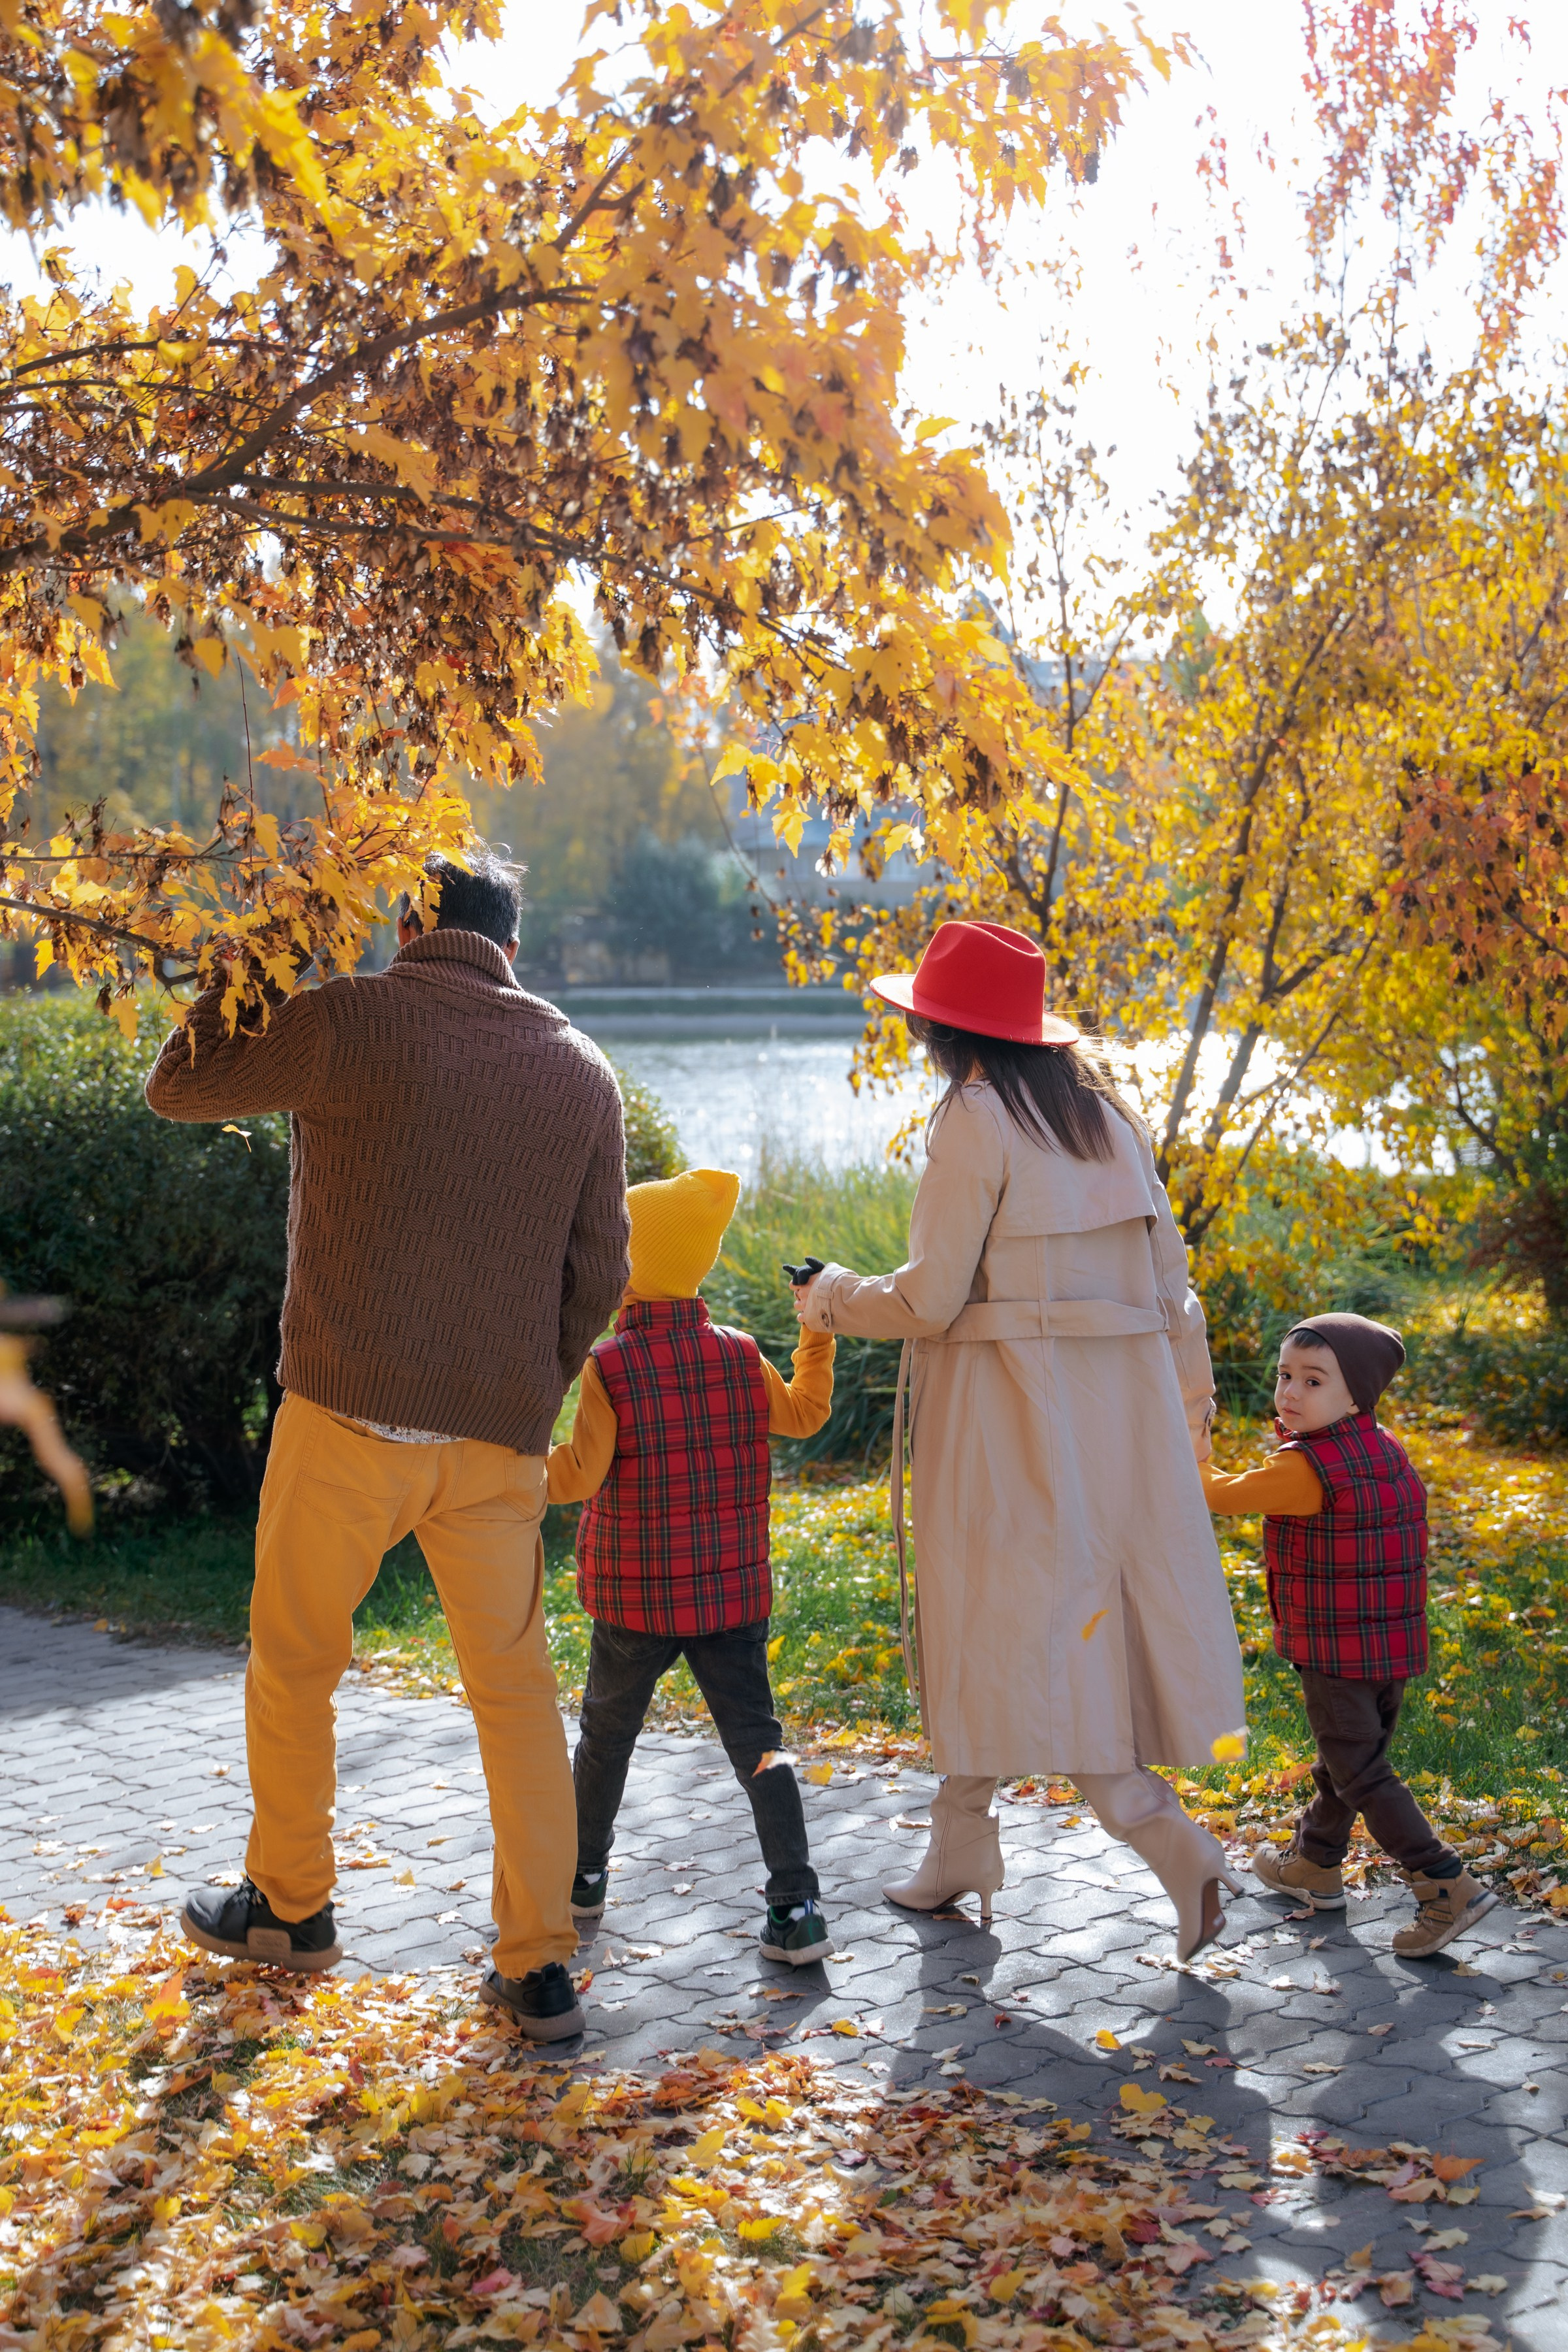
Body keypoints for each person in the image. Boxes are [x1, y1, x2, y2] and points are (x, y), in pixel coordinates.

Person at [145, 849, 630, 2039]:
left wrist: (260, 955)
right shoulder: (580, 1070)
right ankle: (537, 1967)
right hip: (496, 1444)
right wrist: (536, 1384)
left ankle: (292, 1912)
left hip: (347, 1414)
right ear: (512, 948)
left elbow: (180, 1084)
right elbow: (603, 1269)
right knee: (516, 1699)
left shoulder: (349, 1020)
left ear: (410, 926)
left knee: (297, 1662)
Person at [792, 919, 1246, 1962]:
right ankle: (960, 1851)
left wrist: (829, 1297)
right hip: (1115, 1428)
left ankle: (1175, 1847)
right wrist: (1184, 1422)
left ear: (945, 1033)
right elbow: (1172, 1288)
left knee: (1028, 1638)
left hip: (1005, 1422)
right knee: (1009, 1630)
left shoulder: (974, 1118)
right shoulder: (1107, 1118)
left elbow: (932, 1298)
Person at [547, 1166, 837, 1963]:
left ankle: (582, 1877)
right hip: (731, 1597)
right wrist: (815, 1331)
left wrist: (505, 1467)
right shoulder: (742, 1356)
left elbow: (578, 1474)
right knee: (760, 1743)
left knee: (606, 1738)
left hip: (636, 1599)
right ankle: (797, 1905)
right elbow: (807, 1415)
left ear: (628, 1269)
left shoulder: (610, 1364)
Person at [1202, 1313, 1495, 1957]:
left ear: (1355, 1395)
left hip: (1336, 1650)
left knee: (1360, 1772)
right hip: (1390, 1648)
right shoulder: (1382, 1447)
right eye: (1285, 1376)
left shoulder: (1308, 1468)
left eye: (1313, 1381)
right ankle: (1315, 1863)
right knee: (1346, 1766)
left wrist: (1185, 1442)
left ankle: (1445, 1885)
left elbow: (1216, 1495)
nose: (1290, 1393)